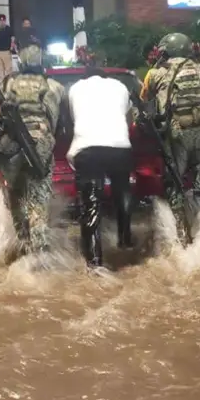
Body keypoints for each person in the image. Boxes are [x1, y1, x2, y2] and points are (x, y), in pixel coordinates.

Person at [0, 46, 66, 257]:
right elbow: (62, 123)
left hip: (10, 146)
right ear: (41, 62)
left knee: (16, 196)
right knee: (38, 200)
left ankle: (23, 244)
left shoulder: (8, 83)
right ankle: (39, 257)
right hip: (40, 146)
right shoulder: (55, 86)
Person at [140, 33, 200, 244]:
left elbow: (144, 101)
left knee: (173, 181)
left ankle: (182, 234)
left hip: (177, 133)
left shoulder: (156, 73)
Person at [67, 64, 134, 268]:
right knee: (122, 191)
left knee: (91, 204)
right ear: (105, 77)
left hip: (87, 149)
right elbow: (129, 118)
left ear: (85, 77)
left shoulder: (75, 88)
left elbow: (72, 119)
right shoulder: (121, 86)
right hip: (121, 147)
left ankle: (95, 263)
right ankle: (126, 241)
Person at [0, 14, 15, 79]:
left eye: (3, 20)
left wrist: (11, 48)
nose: (2, 22)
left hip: (6, 51)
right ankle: (2, 83)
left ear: (5, 21)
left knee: (8, 69)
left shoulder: (9, 29)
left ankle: (9, 82)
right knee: (0, 69)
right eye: (0, 20)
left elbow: (13, 39)